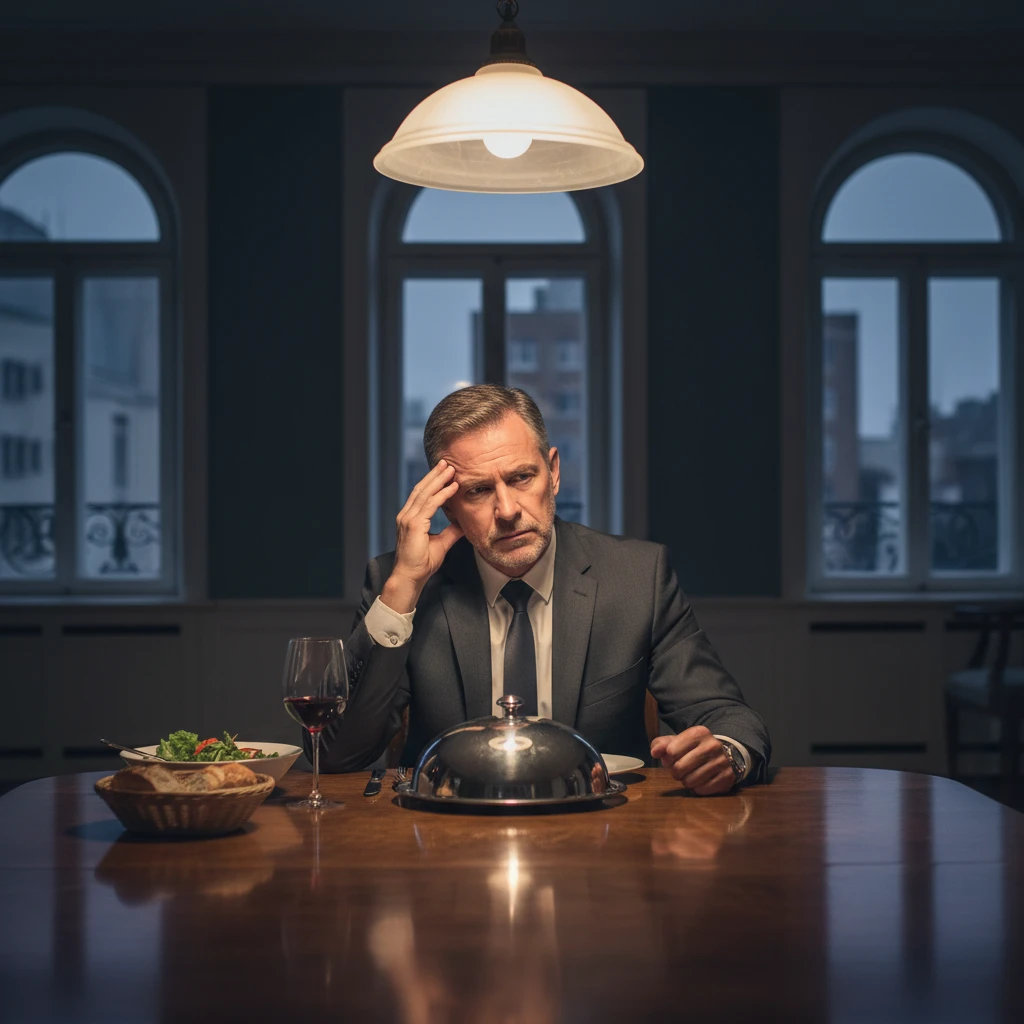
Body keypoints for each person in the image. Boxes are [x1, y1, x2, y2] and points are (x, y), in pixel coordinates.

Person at [315, 385, 770, 793]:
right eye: (477, 491)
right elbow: (335, 756)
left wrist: (725, 753)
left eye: (521, 477)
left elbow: (730, 718)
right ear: (448, 507)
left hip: (606, 842)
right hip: (448, 847)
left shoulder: (637, 577)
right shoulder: (401, 586)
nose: (508, 509)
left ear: (552, 472)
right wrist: (403, 589)